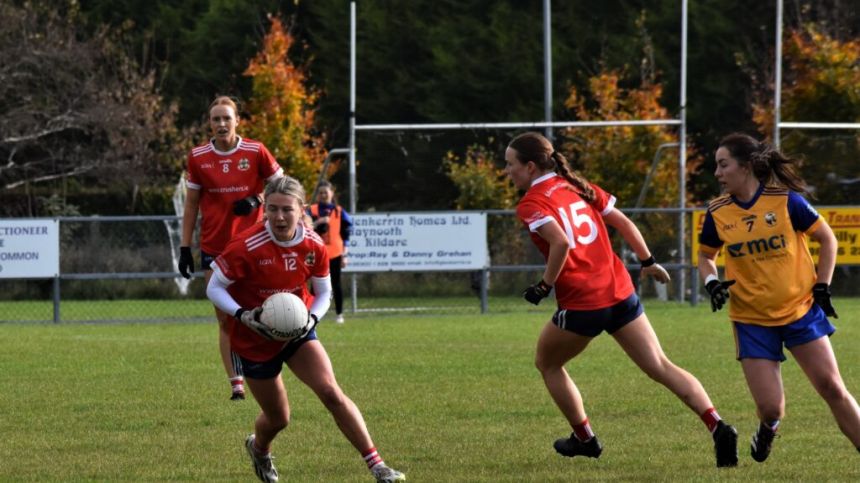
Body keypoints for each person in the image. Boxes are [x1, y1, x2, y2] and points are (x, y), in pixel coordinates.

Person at [504, 131, 738, 467]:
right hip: (620, 291)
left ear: (529, 166)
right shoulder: (577, 185)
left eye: (510, 164)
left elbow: (560, 243)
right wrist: (647, 262)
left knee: (548, 363)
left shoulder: (532, 202)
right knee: (660, 365)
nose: (507, 171)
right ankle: (717, 425)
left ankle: (585, 439)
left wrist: (544, 286)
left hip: (584, 302)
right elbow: (624, 222)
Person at [206, 176, 405, 483]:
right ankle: (259, 449)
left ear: (302, 209)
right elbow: (214, 286)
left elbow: (324, 293)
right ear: (265, 210)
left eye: (287, 209)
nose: (279, 217)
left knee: (331, 392)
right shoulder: (246, 245)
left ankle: (378, 466)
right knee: (278, 419)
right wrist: (243, 315)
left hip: (298, 331)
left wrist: (311, 320)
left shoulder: (313, 244)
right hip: (254, 338)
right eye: (272, 209)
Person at [698, 132, 860, 462]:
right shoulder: (718, 212)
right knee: (772, 407)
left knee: (832, 388)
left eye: (723, 164)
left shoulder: (786, 202)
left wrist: (822, 287)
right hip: (751, 320)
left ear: (745, 167)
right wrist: (711, 282)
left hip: (800, 310)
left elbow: (827, 239)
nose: (717, 173)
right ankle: (768, 427)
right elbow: (705, 256)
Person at [178, 96, 284, 400]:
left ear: (237, 120)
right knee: (225, 316)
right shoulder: (198, 157)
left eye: (227, 118)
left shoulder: (255, 151)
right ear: (209, 123)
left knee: (264, 310)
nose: (221, 124)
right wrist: (186, 248)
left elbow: (283, 185)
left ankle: (267, 370)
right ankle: (236, 382)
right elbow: (191, 204)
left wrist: (259, 200)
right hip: (215, 248)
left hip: (254, 246)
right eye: (216, 119)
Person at [308, 180, 353, 324]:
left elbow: (346, 234)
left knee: (336, 284)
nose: (323, 195)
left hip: (335, 253)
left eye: (325, 192)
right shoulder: (311, 210)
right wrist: (318, 222)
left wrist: (345, 255)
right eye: (320, 193)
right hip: (317, 254)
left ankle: (339, 314)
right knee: (314, 285)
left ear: (331, 193)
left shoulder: (339, 212)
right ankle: (311, 314)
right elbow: (304, 227)